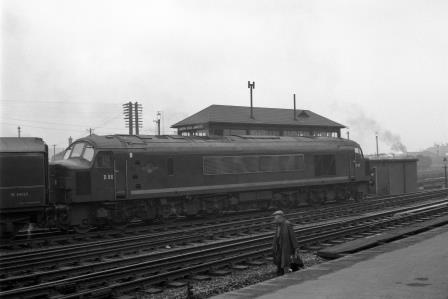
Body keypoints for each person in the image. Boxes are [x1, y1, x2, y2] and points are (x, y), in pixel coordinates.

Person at [272, 210, 299, 275]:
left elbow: (293, 237)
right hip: (279, 246)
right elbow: (277, 236)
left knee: (286, 260)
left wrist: (295, 248)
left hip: (286, 246)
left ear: (281, 217)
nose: (275, 219)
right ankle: (280, 272)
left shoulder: (287, 224)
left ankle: (286, 273)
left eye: (276, 218)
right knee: (279, 259)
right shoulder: (278, 225)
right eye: (275, 218)